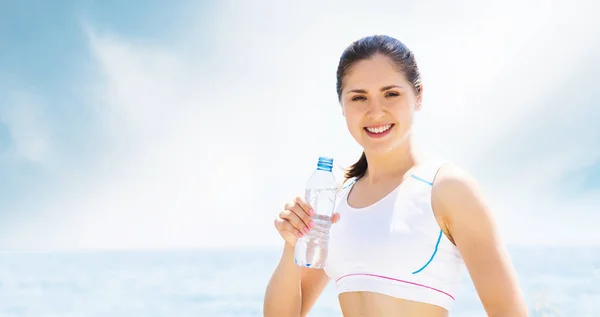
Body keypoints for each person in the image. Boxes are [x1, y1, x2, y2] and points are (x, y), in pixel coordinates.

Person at [263, 34, 528, 317]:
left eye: (391, 94)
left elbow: (508, 312)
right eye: (359, 97)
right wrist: (293, 244)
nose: (375, 111)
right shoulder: (337, 198)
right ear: (342, 105)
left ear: (418, 96)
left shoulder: (447, 188)